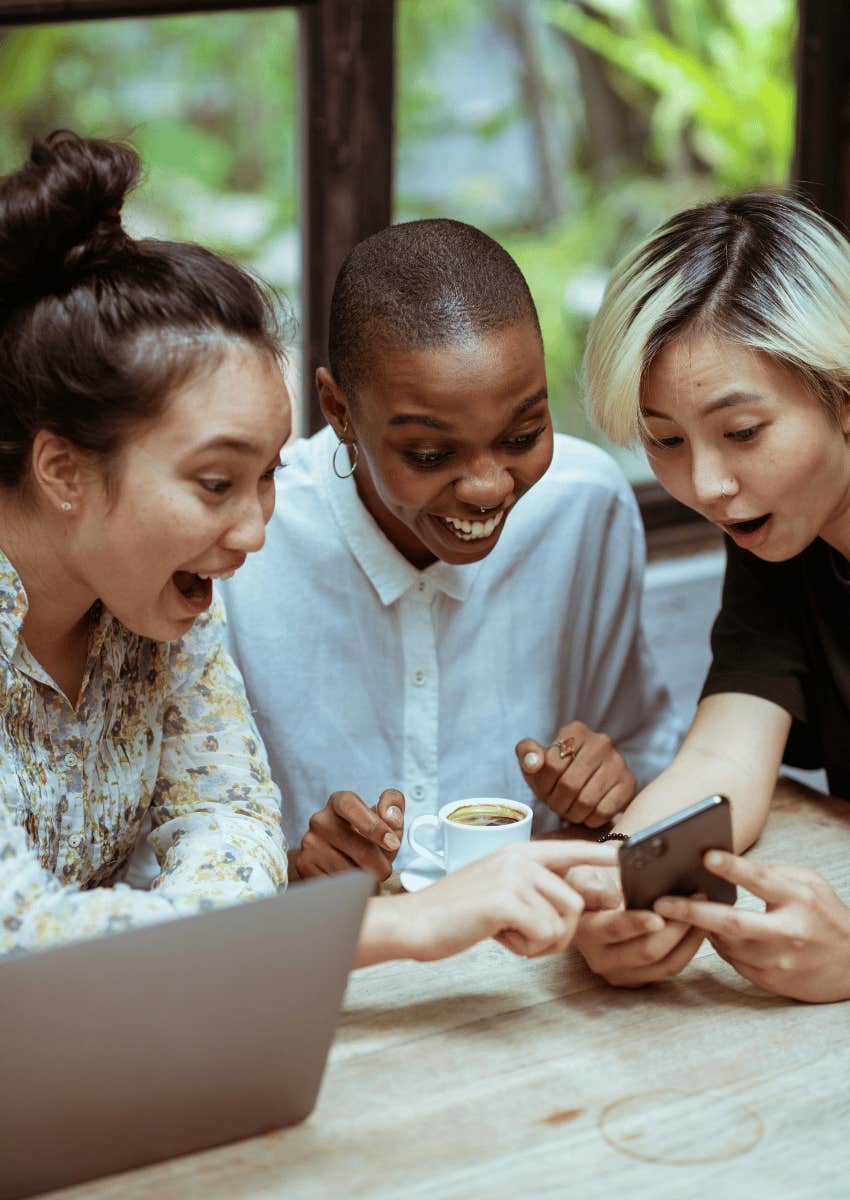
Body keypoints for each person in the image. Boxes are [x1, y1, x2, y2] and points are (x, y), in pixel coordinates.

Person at [0, 129, 622, 966]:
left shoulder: (152, 611)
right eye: (217, 484)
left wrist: (226, 938)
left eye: (266, 477)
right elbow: (17, 934)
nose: (257, 531)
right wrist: (401, 925)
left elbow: (233, 827)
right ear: (63, 469)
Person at [218, 218, 681, 882]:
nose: (488, 487)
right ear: (337, 409)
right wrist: (291, 873)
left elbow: (646, 751)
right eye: (430, 454)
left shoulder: (583, 506)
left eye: (524, 434)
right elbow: (167, 848)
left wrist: (608, 787)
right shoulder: (247, 548)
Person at [578, 190, 850, 1002]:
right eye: (665, 440)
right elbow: (723, 758)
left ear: (842, 389)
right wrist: (617, 886)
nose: (707, 484)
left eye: (742, 433)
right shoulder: (779, 534)